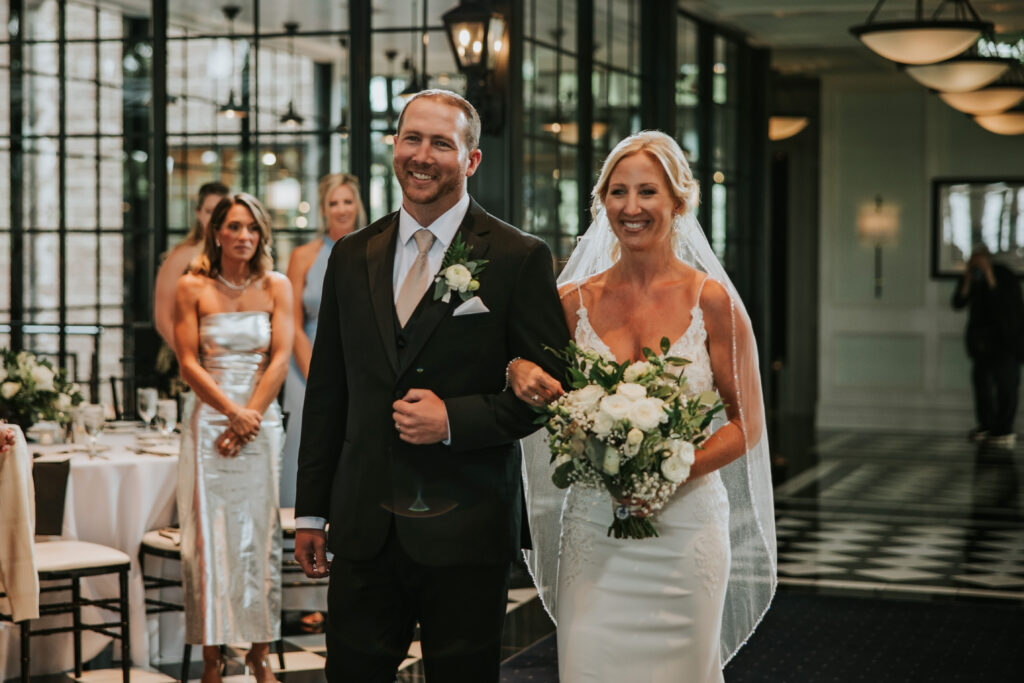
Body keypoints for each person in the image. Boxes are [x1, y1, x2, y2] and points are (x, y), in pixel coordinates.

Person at [292, 89, 569, 682]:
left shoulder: (520, 257)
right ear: (395, 146)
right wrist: (312, 511)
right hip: (366, 525)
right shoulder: (351, 254)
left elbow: (552, 394)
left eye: (441, 143)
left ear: (470, 160)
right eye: (411, 138)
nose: (422, 155)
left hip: (466, 526)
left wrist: (455, 421)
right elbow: (328, 391)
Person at [511, 131, 777, 681]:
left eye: (648, 192)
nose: (631, 208)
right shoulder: (569, 302)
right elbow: (537, 390)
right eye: (618, 192)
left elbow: (745, 423)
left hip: (686, 532)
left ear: (679, 202)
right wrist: (514, 370)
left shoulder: (713, 302)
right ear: (601, 202)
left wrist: (669, 473)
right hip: (592, 527)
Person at [173, 193, 293, 682]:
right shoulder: (191, 286)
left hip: (261, 422)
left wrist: (251, 418)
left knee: (260, 537)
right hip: (209, 422)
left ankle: (259, 649)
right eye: (235, 227)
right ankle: (211, 653)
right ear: (217, 232)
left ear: (261, 235)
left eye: (253, 228)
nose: (245, 236)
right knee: (208, 539)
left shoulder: (276, 285)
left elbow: (279, 358)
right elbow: (187, 362)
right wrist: (231, 414)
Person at [281, 173, 367, 509]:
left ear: (358, 205)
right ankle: (296, 528)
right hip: (305, 363)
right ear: (323, 209)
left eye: (348, 201)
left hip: (357, 361)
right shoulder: (303, 256)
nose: (342, 209)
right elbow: (290, 321)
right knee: (307, 441)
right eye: (334, 203)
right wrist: (316, 373)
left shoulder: (375, 250)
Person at [952, 245, 1024, 447]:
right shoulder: (973, 278)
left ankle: (1004, 429)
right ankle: (987, 424)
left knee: (1006, 386)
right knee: (982, 385)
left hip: (1006, 341)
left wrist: (989, 274)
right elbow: (958, 302)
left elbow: (1006, 305)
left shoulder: (1003, 276)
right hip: (981, 343)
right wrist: (968, 278)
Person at [155, 181, 230, 351]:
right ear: (198, 213)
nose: (215, 218)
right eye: (209, 211)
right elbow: (163, 319)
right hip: (184, 352)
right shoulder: (180, 256)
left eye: (221, 212)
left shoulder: (236, 254)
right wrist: (190, 359)